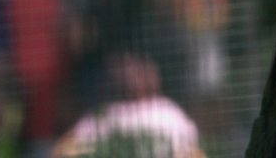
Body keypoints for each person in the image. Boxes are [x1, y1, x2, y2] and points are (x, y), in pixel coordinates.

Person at [52, 52, 203, 158]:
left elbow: (191, 152)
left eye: (139, 70)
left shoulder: (166, 111)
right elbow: (63, 151)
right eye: (126, 70)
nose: (132, 75)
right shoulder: (102, 115)